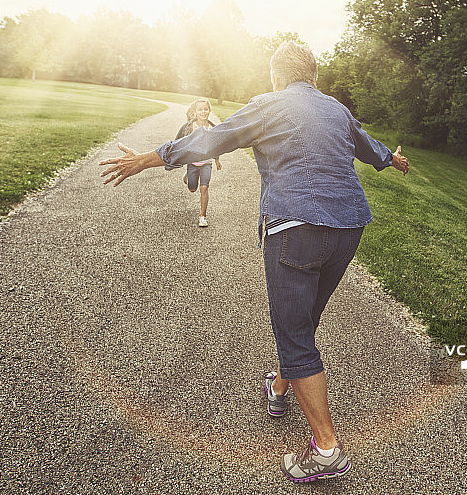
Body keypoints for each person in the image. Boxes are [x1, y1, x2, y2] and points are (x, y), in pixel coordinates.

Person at [100, 41, 409, 483]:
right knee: (302, 321)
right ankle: (280, 386)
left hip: (294, 230)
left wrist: (150, 159)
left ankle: (326, 449)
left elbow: (209, 139)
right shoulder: (337, 109)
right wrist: (393, 159)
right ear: (314, 77)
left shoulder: (268, 104)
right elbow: (369, 147)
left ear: (275, 76)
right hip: (349, 229)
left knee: (295, 332)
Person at [175, 99, 222, 227]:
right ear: (195, 112)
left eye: (205, 109)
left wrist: (217, 159)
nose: (203, 112)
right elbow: (178, 141)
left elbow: (216, 145)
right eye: (200, 109)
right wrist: (177, 157)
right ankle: (188, 178)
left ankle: (202, 216)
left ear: (209, 111)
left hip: (207, 163)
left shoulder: (212, 128)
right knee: (192, 188)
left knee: (204, 188)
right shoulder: (190, 127)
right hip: (193, 164)